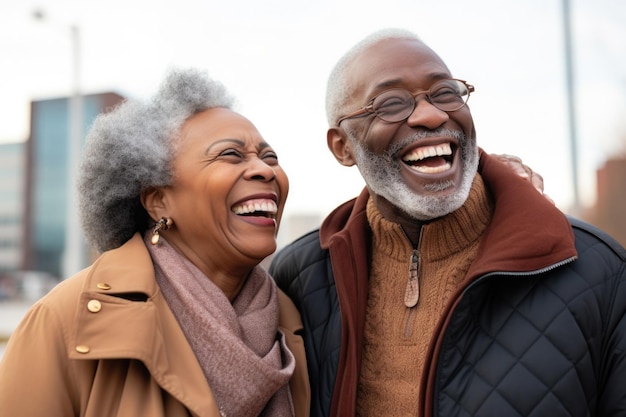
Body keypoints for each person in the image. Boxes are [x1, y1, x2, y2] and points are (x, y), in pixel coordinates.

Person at [269, 28, 626, 417]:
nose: (432, 114)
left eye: (445, 93)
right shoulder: (301, 279)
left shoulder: (598, 271)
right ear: (342, 147)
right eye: (390, 104)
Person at [0, 68, 310, 417]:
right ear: (158, 200)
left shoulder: (300, 318)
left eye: (269, 157)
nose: (265, 170)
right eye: (231, 155)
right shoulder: (62, 322)